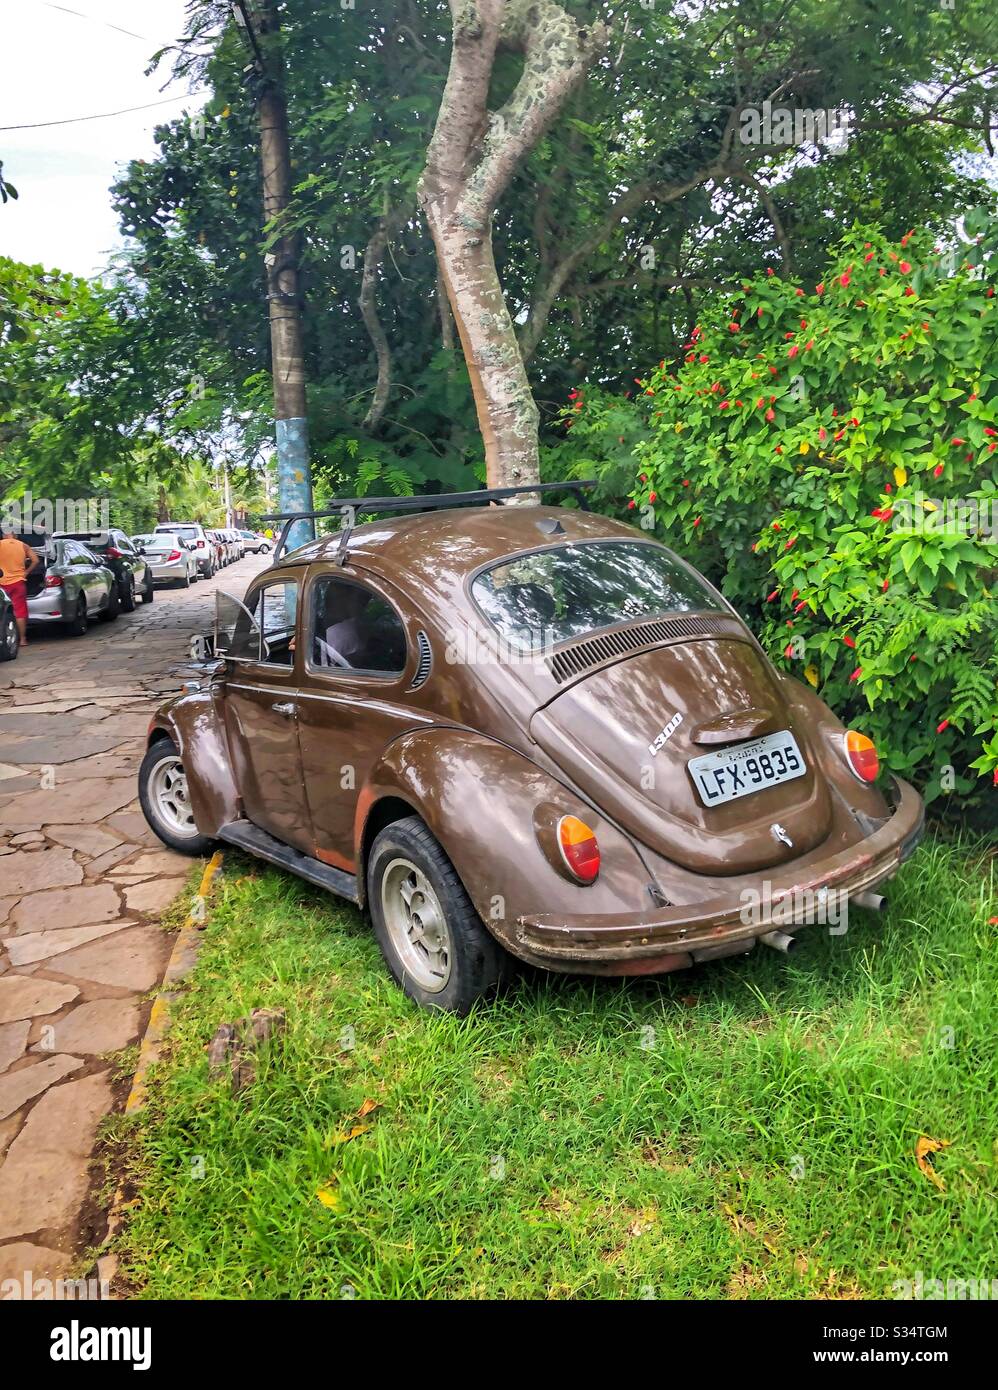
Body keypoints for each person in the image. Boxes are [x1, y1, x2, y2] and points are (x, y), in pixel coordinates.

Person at [0, 522, 42, 648]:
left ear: (4, 535)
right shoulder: (23, 545)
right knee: (20, 612)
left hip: (2, 584)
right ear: (15, 535)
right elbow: (36, 560)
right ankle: (23, 640)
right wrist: (26, 573)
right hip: (18, 582)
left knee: (2, 611)